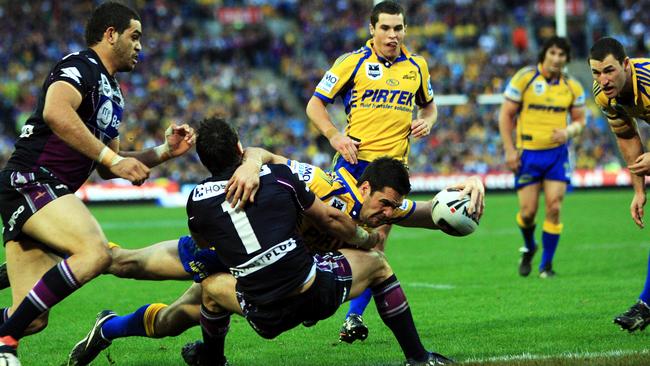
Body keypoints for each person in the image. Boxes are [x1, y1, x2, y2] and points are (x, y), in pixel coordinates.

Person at [67, 143, 483, 365]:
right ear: (365, 189)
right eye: (385, 205)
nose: (387, 216)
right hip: (222, 253)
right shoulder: (322, 183)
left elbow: (431, 214)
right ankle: (59, 255)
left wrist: (468, 189)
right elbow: (264, 154)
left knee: (174, 321)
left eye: (393, 209)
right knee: (126, 262)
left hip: (266, 275)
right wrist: (250, 165)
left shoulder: (376, 212)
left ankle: (107, 329)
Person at [0, 2, 195, 364]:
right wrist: (113, 160)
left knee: (32, 317)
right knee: (95, 252)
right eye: (134, 37)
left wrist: (165, 151)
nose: (140, 46)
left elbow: (109, 165)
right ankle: (5, 341)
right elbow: (56, 112)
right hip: (31, 180)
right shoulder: (80, 66)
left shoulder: (113, 92)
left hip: (42, 194)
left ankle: (8, 329)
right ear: (110, 35)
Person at [184, 116, 453, 366]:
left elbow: (205, 244)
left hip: (262, 313)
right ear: (239, 147)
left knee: (207, 290)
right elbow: (331, 219)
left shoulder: (196, 200)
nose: (387, 214)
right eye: (385, 205)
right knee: (378, 265)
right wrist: (368, 239)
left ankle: (212, 358)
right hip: (313, 291)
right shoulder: (289, 178)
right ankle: (418, 358)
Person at [306, 0, 438, 342]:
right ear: (372, 29)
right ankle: (308, 292)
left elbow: (430, 106)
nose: (392, 35)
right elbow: (315, 104)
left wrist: (427, 122)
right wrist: (335, 135)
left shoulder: (417, 66)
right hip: (355, 168)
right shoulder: (353, 63)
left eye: (398, 28)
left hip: (393, 175)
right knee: (334, 236)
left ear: (405, 30)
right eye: (385, 28)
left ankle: (352, 318)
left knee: (375, 247)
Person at [498, 36, 586, 279]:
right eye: (553, 53)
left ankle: (546, 266)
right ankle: (530, 246)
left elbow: (581, 120)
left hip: (557, 156)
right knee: (527, 212)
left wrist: (568, 131)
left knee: (555, 207)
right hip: (528, 154)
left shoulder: (572, 87)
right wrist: (509, 149)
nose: (557, 58)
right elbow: (506, 116)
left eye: (562, 55)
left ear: (567, 59)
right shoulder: (525, 78)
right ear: (544, 54)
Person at [589, 36, 650, 332]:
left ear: (626, 64)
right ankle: (647, 304)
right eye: (597, 73)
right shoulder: (603, 94)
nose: (604, 79)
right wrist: (639, 190)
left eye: (610, 70)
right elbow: (626, 135)